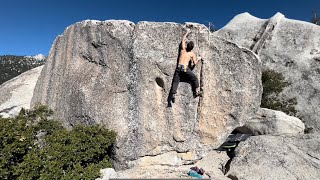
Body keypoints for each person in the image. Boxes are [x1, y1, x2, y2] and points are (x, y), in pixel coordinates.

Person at [169, 30, 203, 103]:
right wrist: (199, 58)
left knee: (176, 81)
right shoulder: (192, 54)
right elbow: (195, 62)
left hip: (178, 67)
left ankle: (173, 94)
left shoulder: (183, 49)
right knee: (195, 78)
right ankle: (197, 91)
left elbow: (183, 39)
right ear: (192, 48)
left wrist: (187, 32)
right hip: (185, 68)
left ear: (187, 45)